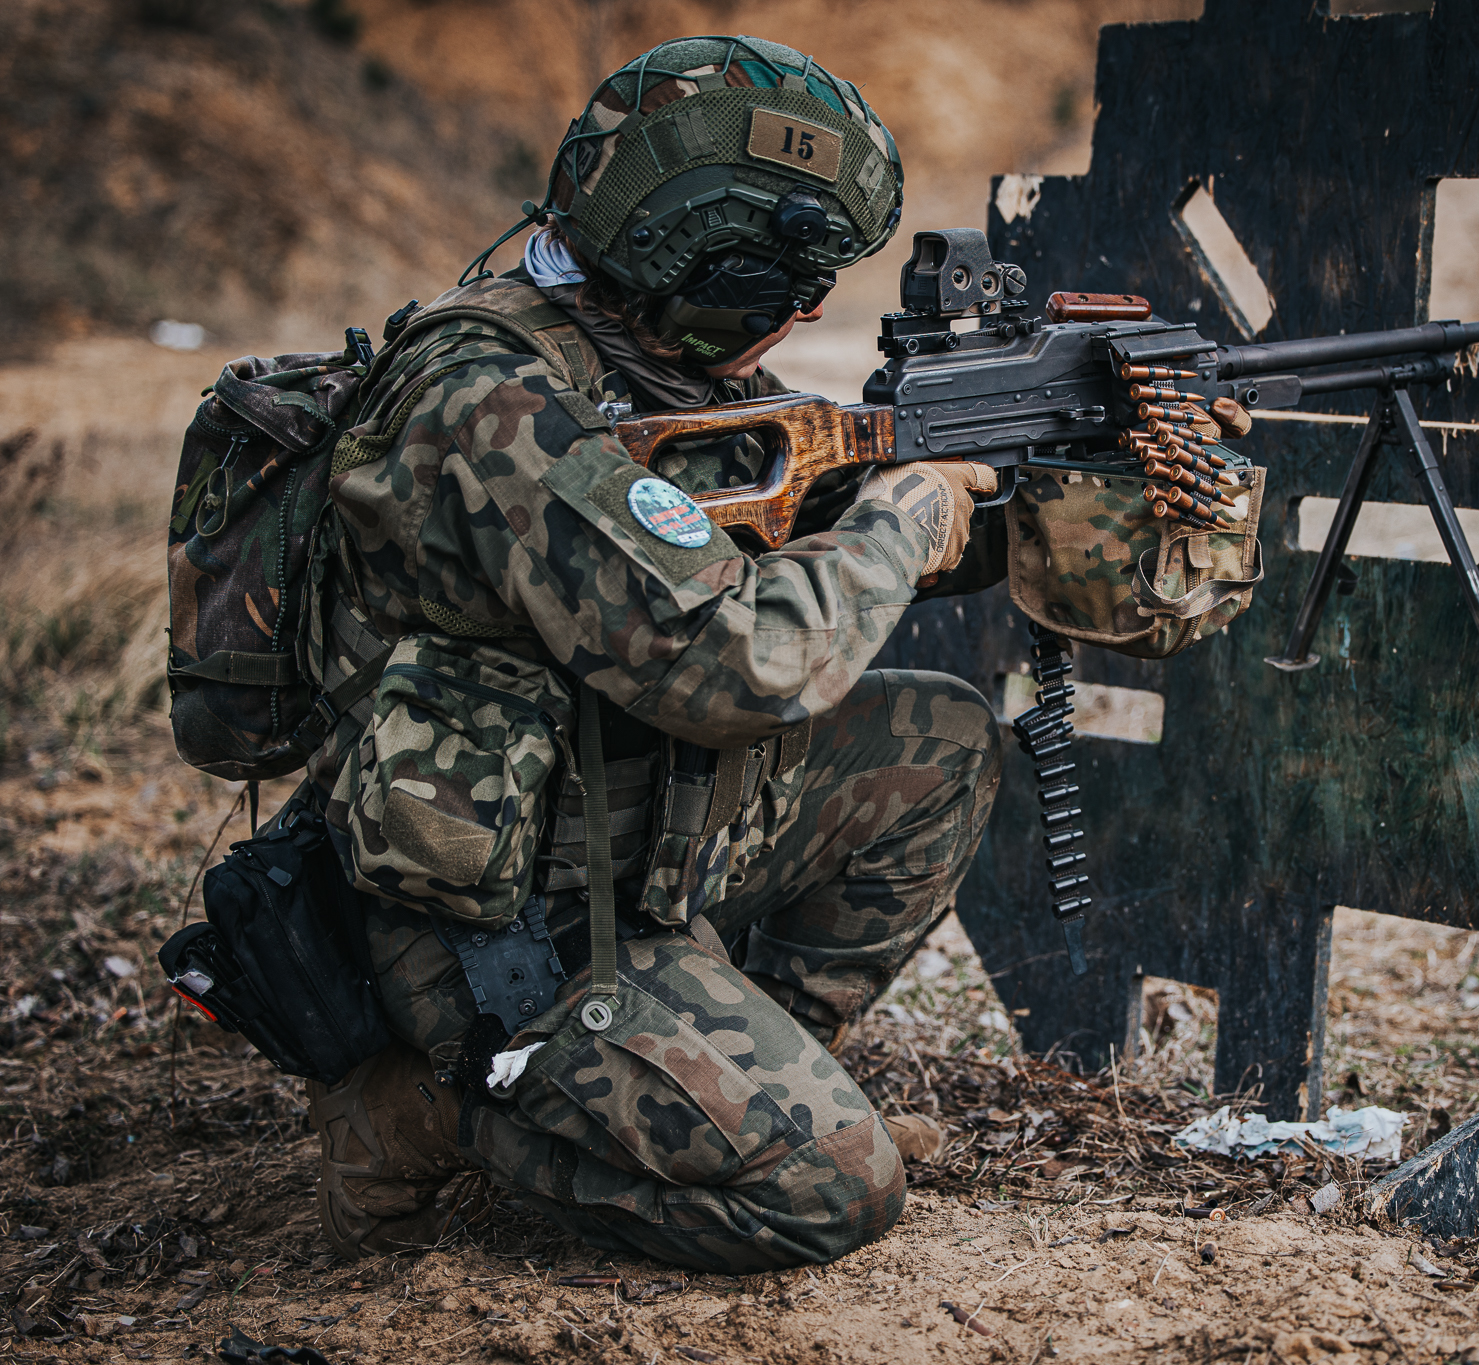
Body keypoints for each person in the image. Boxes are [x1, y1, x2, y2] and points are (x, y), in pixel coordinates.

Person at [300, 35, 1003, 1272]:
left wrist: (1041, 489)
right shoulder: (498, 401)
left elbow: (779, 542)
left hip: (636, 847)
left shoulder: (642, 360)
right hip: (488, 920)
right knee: (831, 1198)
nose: (815, 311)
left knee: (936, 742)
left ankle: (708, 1081)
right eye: (787, 284)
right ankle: (416, 1110)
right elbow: (741, 662)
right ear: (698, 270)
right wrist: (906, 520)